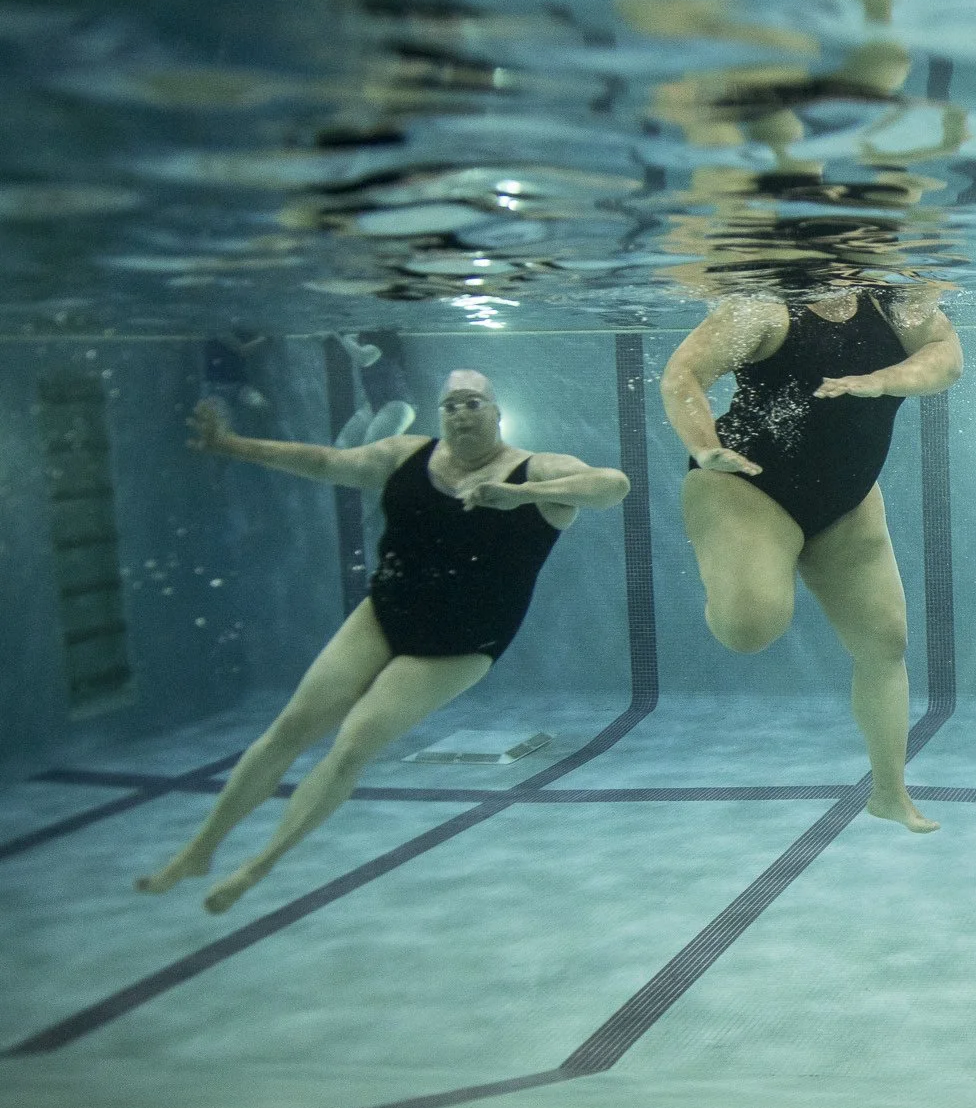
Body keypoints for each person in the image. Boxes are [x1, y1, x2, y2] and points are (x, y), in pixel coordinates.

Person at [139, 373, 631, 912]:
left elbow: (612, 486)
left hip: (461, 643)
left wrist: (519, 495)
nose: (462, 414)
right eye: (450, 405)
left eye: (473, 403)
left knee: (353, 743)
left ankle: (259, 865)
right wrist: (231, 445)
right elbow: (325, 463)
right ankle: (200, 849)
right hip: (384, 612)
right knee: (291, 727)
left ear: (496, 413)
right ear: (438, 415)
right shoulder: (405, 455)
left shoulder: (536, 470)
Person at [660, 280, 962, 831]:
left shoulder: (894, 303)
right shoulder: (766, 310)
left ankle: (889, 793)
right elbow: (683, 374)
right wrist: (704, 444)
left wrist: (884, 380)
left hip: (846, 500)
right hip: (745, 483)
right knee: (750, 629)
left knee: (885, 641)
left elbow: (946, 359)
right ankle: (733, 566)